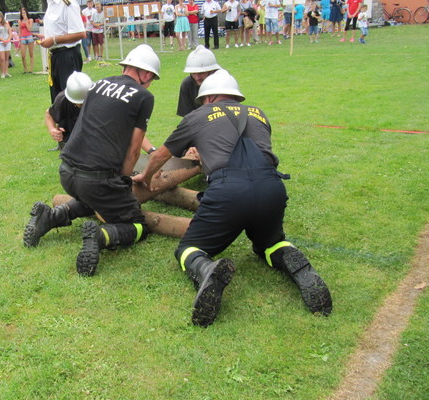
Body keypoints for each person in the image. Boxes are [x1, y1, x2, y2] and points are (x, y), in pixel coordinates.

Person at [133, 70, 332, 327]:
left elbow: (161, 156)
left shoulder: (197, 116)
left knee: (188, 249)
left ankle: (205, 270)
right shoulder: (258, 113)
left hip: (229, 192)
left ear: (210, 97)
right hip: (271, 187)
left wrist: (146, 178)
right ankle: (294, 261)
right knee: (269, 243)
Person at [23, 44, 160, 277]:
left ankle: (51, 216)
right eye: (151, 79)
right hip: (95, 179)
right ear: (146, 74)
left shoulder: (97, 85)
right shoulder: (144, 97)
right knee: (138, 225)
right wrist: (124, 181)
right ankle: (100, 236)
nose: (150, 84)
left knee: (98, 199)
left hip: (67, 172)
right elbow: (134, 151)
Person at [35, 0, 86, 102]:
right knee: (57, 99)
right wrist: (46, 38)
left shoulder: (67, 3)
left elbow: (81, 33)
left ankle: (73, 124)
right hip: (55, 56)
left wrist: (54, 40)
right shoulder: (51, 4)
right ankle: (60, 123)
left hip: (67, 57)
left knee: (70, 99)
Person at [45, 71, 94, 150]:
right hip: (70, 142)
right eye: (80, 103)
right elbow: (49, 114)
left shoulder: (98, 96)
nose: (83, 105)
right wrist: (52, 130)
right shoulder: (62, 99)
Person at [176, 45, 221, 117]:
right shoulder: (187, 85)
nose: (197, 78)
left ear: (212, 71)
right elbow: (187, 118)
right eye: (193, 73)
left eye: (201, 73)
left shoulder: (223, 83)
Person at [18, 7, 35, 73]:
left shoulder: (30, 20)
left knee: (31, 54)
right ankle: (25, 69)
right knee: (23, 55)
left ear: (26, 13)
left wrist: (26, 20)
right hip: (23, 37)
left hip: (29, 36)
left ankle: (31, 69)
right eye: (22, 13)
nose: (23, 14)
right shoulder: (19, 21)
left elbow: (29, 29)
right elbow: (20, 30)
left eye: (24, 12)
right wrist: (19, 40)